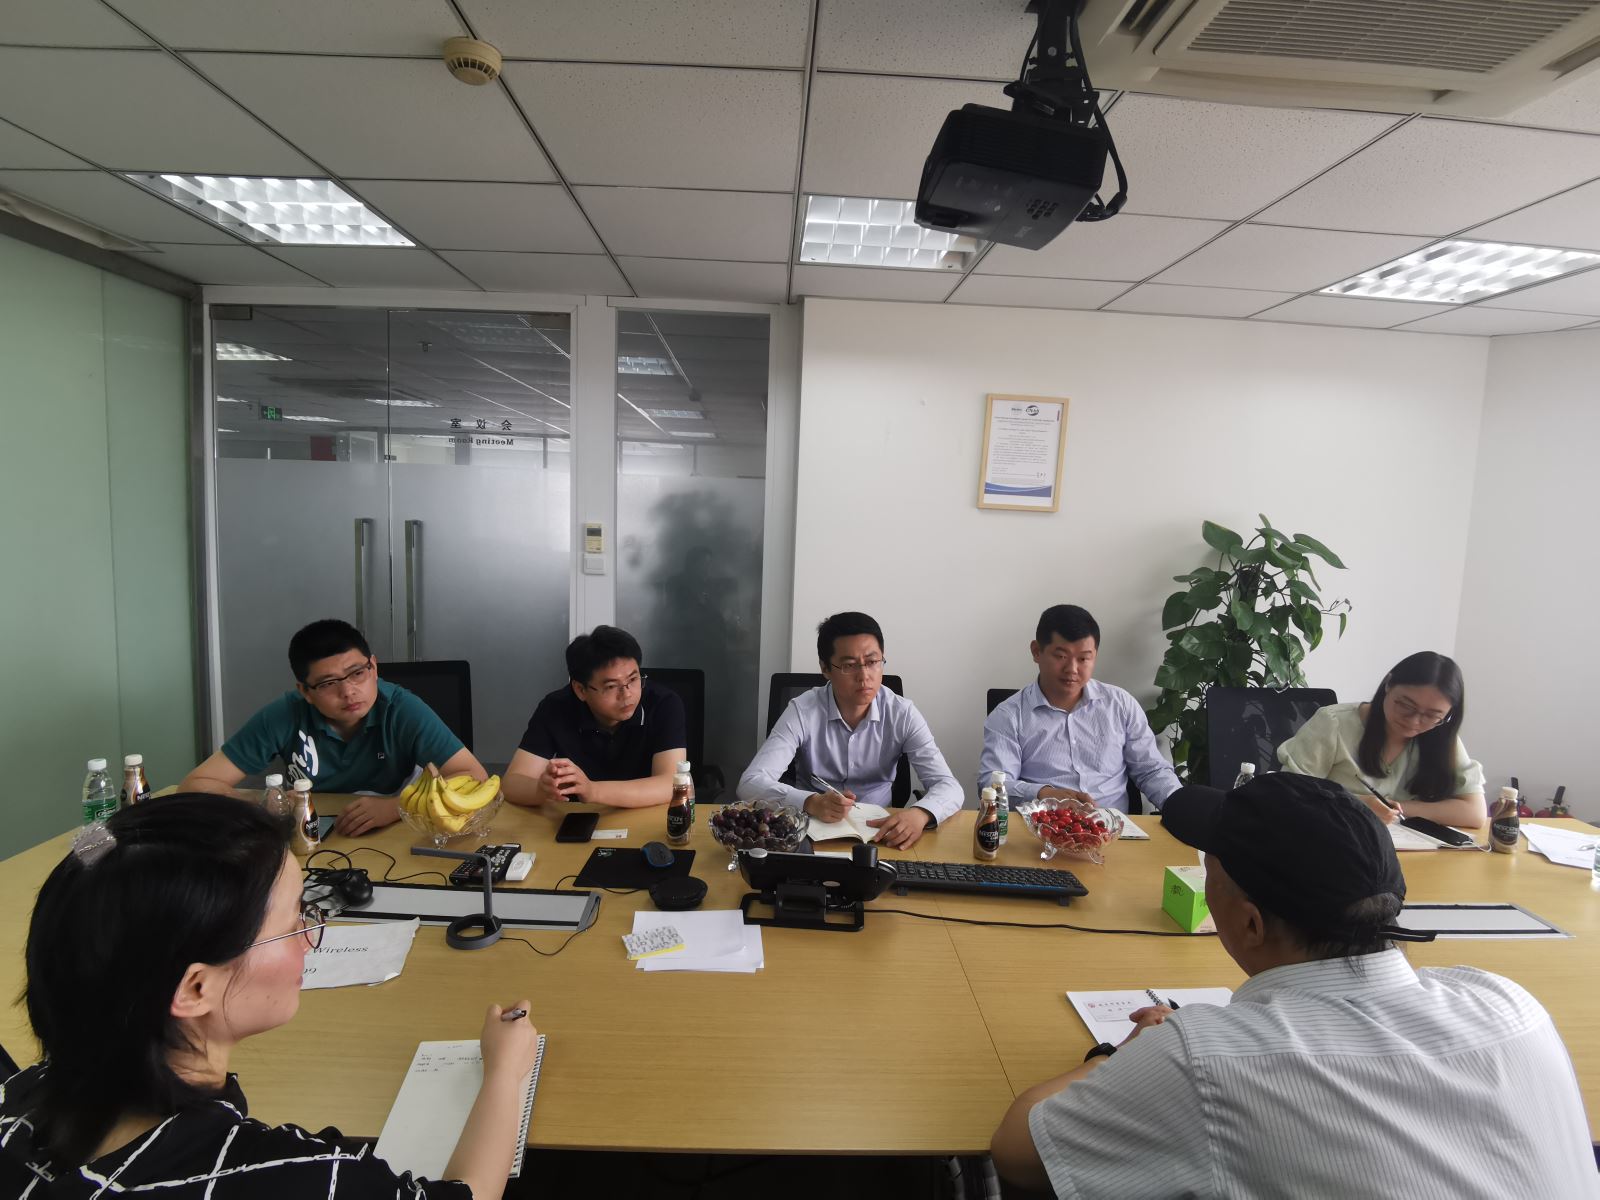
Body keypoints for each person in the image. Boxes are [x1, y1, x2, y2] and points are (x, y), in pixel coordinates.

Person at [989, 772, 1600, 1199]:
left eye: (1209, 871)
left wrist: (1123, 1055)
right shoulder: (1510, 1004)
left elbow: (1017, 1152)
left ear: (1250, 924)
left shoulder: (1205, 1059)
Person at [0, 795, 540, 1198]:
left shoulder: (21, 1098)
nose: (310, 936)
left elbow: (92, 850)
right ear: (195, 989)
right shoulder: (300, 1180)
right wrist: (504, 1072)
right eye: (293, 922)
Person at [178, 619, 486, 837]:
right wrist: (264, 803)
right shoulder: (283, 715)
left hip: (393, 828)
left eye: (357, 673)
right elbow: (197, 784)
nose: (349, 692)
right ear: (305, 691)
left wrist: (396, 808)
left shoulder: (402, 709)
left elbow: (472, 775)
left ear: (374, 667)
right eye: (328, 683)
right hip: (313, 832)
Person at [737, 612, 961, 849]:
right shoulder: (802, 711)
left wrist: (921, 813)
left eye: (872, 662)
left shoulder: (902, 713)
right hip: (809, 832)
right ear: (825, 668)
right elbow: (750, 783)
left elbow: (948, 785)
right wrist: (810, 801)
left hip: (881, 835)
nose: (864, 676)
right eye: (849, 665)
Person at [979, 605, 1179, 812]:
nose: (1072, 669)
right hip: (1042, 824)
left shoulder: (1120, 704)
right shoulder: (1009, 715)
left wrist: (1180, 806)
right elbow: (992, 786)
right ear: (1037, 651)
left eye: (1083, 658)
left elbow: (1151, 770)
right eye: (1061, 656)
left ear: (1095, 656)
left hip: (1113, 825)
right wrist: (1043, 794)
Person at [1277, 650, 1486, 829]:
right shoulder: (1334, 724)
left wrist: (1396, 808)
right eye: (1406, 705)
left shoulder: (1442, 737)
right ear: (1388, 684)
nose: (1414, 721)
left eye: (1432, 715)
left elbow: (1474, 813)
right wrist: (1356, 805)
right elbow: (1285, 795)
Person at [502, 625, 686, 810]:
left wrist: (593, 791)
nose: (627, 694)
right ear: (580, 690)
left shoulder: (663, 703)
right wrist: (542, 789)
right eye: (611, 686)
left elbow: (671, 784)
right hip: (579, 816)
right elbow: (511, 784)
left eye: (633, 679)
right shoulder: (556, 707)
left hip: (647, 814)